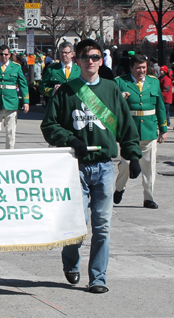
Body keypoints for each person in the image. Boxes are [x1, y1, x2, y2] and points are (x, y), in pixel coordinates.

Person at [40, 39, 142, 294]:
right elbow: (49, 126)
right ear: (77, 60)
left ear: (101, 60)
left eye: (95, 57)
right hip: (75, 167)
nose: (91, 62)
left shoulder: (111, 89)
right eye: (86, 57)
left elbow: (126, 126)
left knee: (102, 225)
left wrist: (133, 155)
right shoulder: (66, 91)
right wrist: (71, 139)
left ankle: (98, 278)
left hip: (105, 167)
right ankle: (71, 262)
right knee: (77, 223)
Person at [113, 54, 168, 209]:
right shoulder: (120, 82)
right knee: (125, 164)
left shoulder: (153, 82)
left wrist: (163, 129)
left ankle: (148, 197)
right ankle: (119, 188)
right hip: (129, 131)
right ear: (131, 68)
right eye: (138, 68)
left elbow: (160, 107)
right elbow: (112, 105)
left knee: (149, 167)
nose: (141, 71)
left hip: (149, 130)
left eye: (144, 67)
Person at [0, 45, 29, 149]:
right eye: (1, 54)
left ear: (10, 55)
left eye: (6, 54)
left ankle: (9, 154)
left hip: (11, 103)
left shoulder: (16, 67)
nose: (4, 56)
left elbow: (23, 85)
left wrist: (26, 101)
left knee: (10, 132)